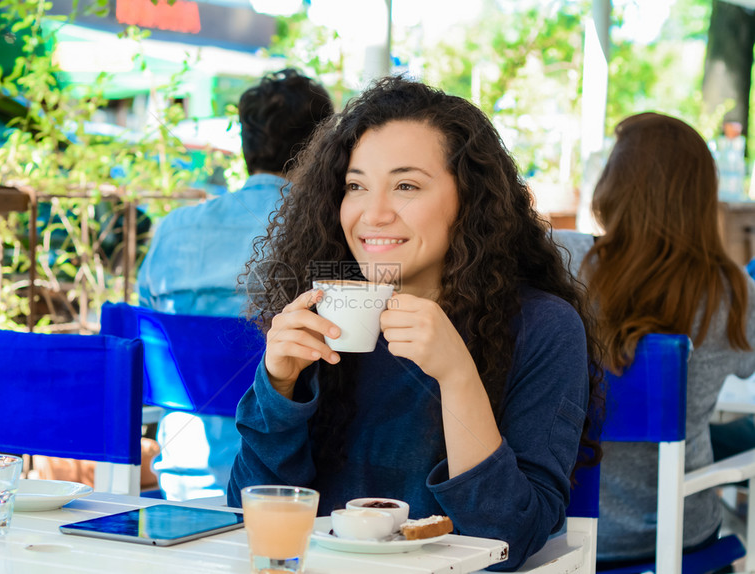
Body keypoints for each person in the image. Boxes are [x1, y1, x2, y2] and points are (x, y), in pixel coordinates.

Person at [227, 76, 604, 570]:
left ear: (469, 200)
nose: (373, 213)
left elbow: (506, 539)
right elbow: (248, 511)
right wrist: (279, 387)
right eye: (356, 186)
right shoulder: (328, 314)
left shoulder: (543, 328)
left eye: (406, 186)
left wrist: (456, 375)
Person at [553, 112, 755, 567]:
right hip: (681, 540)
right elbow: (745, 368)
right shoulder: (737, 292)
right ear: (702, 197)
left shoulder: (558, 258)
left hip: (563, 536)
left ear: (613, 185)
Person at [136, 69, 333, 501]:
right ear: (324, 149)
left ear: (246, 144)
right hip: (289, 485)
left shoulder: (174, 228)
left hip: (180, 477)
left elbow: (149, 324)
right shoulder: (326, 232)